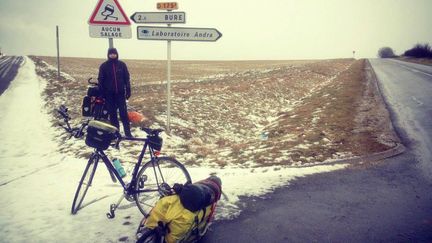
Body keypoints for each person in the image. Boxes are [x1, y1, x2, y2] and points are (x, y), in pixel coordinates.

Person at [98, 48, 132, 137]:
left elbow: (126, 78)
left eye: (114, 54)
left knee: (123, 113)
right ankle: (116, 134)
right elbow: (100, 80)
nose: (113, 55)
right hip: (109, 95)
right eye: (111, 54)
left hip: (120, 94)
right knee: (112, 115)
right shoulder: (104, 66)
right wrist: (102, 93)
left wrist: (128, 89)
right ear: (108, 55)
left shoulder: (122, 65)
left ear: (117, 54)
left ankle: (128, 133)